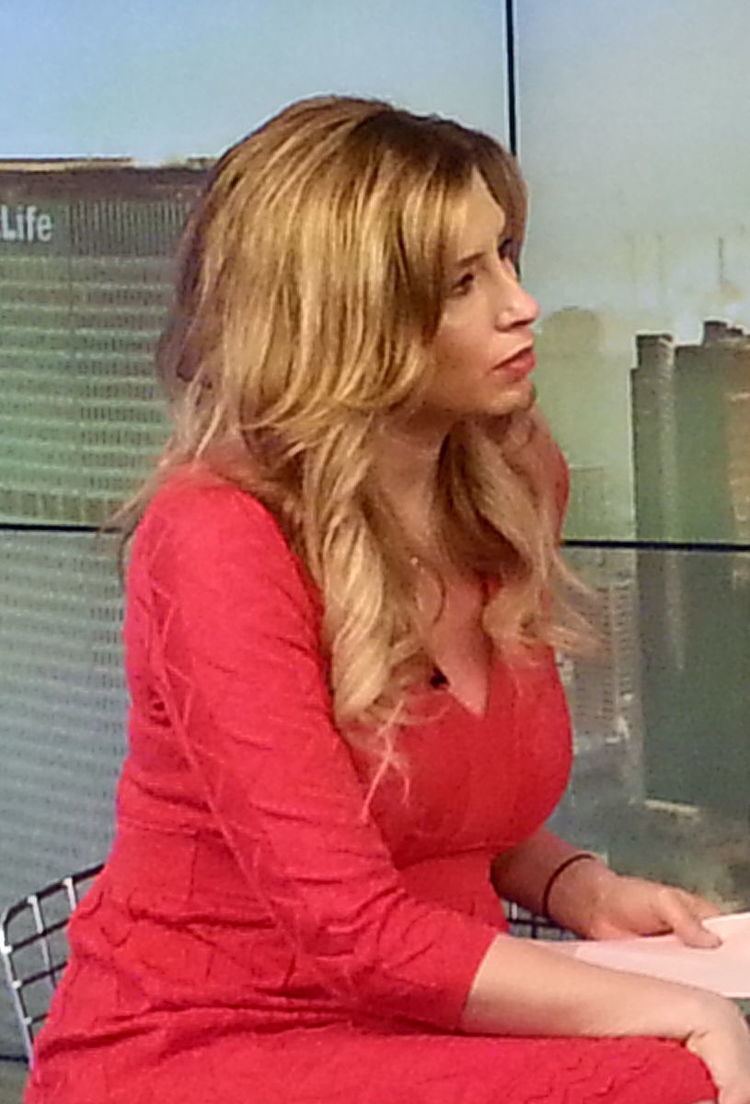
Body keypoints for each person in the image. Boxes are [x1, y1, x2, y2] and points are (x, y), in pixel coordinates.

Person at [25, 95, 750, 1104]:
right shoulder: (217, 539)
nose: (519, 304)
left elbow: (447, 801)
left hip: (426, 1020)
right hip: (203, 1045)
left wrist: (574, 885)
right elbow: (351, 924)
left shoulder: (512, 481)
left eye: (508, 256)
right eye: (462, 282)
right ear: (343, 319)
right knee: (668, 1077)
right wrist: (674, 1008)